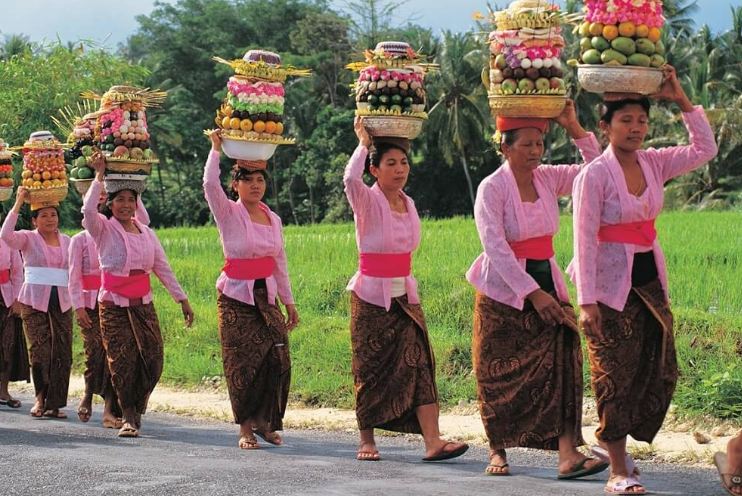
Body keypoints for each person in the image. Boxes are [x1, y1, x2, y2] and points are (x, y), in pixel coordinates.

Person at [568, 65, 718, 495]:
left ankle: (610, 440)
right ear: (605, 125)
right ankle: (618, 467)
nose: (636, 129)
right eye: (626, 121)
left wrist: (682, 100)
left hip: (649, 281)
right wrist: (586, 300)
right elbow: (583, 237)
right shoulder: (593, 174)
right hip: (607, 287)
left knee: (656, 366)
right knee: (611, 371)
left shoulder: (655, 163)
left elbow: (704, 148)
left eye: (642, 121)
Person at [467, 100, 607, 478]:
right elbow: (494, 245)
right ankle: (497, 449)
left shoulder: (548, 177)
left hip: (549, 278)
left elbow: (595, 171)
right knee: (496, 371)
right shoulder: (491, 188)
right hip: (503, 290)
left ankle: (567, 453)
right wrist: (532, 293)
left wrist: (574, 126)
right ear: (505, 147)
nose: (534, 152)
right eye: (525, 144)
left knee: (564, 359)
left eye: (539, 144)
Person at [344, 116, 469, 462]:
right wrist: (362, 143)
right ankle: (366, 439)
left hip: (405, 298)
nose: (399, 170)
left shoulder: (409, 203)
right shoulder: (366, 202)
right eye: (391, 164)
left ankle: (433, 441)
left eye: (403, 163)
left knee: (419, 365)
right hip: (371, 297)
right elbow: (348, 178)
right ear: (375, 169)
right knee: (369, 367)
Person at [83, 154, 194, 438]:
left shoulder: (147, 233)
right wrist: (99, 176)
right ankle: (129, 416)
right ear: (110, 204)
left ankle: (136, 406)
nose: (125, 205)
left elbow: (162, 268)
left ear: (136, 204)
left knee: (153, 358)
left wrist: (181, 299)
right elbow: (87, 213)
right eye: (119, 200)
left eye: (130, 200)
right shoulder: (103, 229)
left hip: (143, 304)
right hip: (112, 305)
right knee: (122, 361)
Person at [203, 130, 299, 450]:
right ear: (236, 185)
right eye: (248, 180)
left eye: (260, 179)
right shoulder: (229, 213)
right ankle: (245, 427)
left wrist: (289, 302)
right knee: (242, 362)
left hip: (265, 295)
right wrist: (216, 150)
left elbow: (280, 262)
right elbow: (208, 186)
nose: (255, 185)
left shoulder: (273, 219)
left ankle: (266, 421)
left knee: (277, 356)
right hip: (235, 297)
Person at [69, 189, 150, 428]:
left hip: (114, 301)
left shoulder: (120, 232)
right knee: (95, 353)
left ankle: (109, 410)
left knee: (118, 356)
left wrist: (137, 191)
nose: (103, 202)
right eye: (100, 199)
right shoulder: (81, 239)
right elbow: (74, 277)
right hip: (90, 304)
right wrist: (78, 307)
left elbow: (143, 219)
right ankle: (87, 394)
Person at [1, 191, 73, 419]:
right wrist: (19, 202)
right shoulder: (27, 238)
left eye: (53, 214)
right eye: (43, 215)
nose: (50, 219)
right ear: (34, 220)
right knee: (40, 351)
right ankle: (40, 398)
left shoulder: (68, 241)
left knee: (62, 351)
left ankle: (55, 404)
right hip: (34, 300)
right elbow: (5, 235)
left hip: (62, 301)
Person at [0, 227, 28, 410]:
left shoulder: (5, 239)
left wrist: (17, 299)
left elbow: (17, 272)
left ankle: (3, 390)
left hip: (6, 298)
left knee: (6, 344)